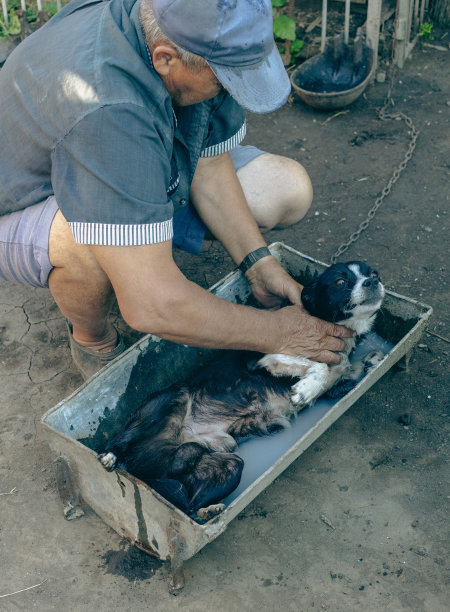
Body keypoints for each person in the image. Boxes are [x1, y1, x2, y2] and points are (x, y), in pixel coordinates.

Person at [0, 0, 354, 380]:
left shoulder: (179, 26)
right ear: (166, 59)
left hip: (128, 158)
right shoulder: (106, 107)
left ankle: (138, 252)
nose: (227, 95)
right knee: (84, 244)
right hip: (23, 200)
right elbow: (149, 307)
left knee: (285, 189)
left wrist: (258, 263)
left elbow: (209, 160)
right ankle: (93, 340)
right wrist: (278, 333)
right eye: (222, 82)